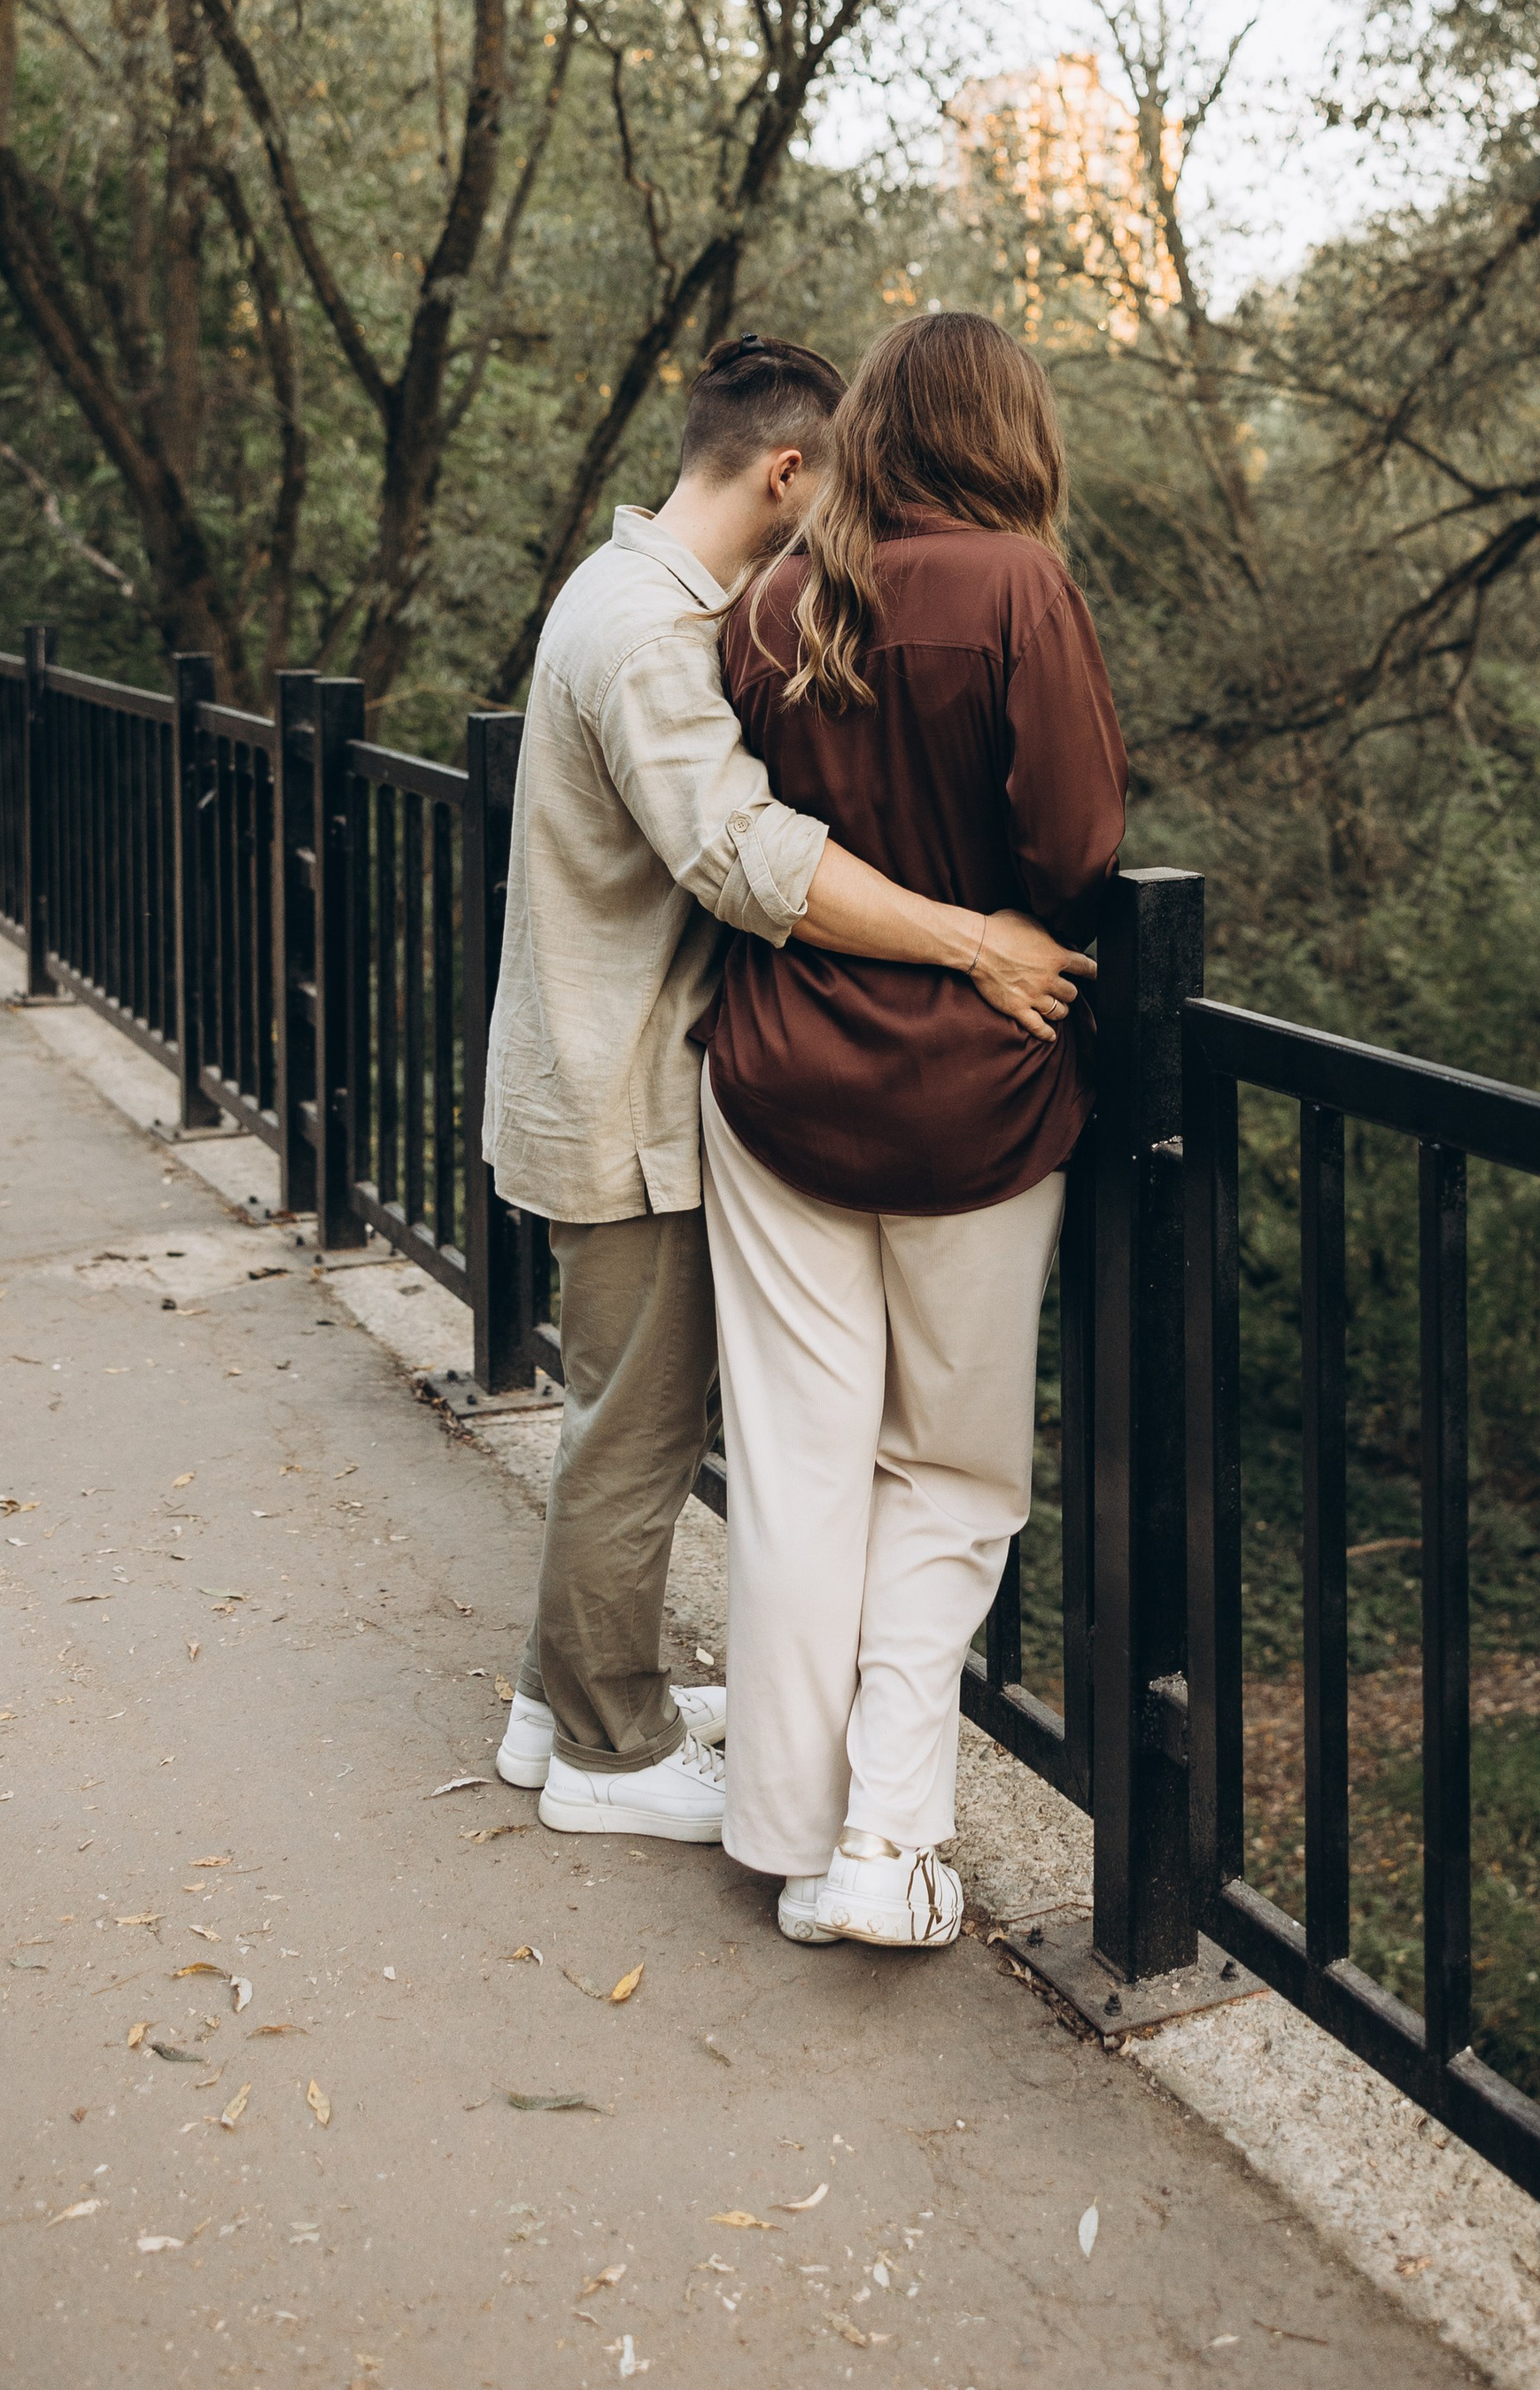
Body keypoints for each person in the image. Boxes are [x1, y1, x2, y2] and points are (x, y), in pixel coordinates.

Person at [480, 332, 1093, 1844]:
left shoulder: (656, 600)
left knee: (636, 1414)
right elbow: (745, 854)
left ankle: (556, 1703)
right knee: (635, 1430)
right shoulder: (649, 636)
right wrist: (973, 941)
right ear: (789, 470)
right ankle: (608, 1750)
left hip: (638, 1069)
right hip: (628, 1086)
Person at [701, 310, 1127, 1949]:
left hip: (779, 1083)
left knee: (799, 1468)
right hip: (978, 1098)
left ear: (872, 426)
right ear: (1008, 432)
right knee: (947, 1471)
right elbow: (1077, 853)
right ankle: (883, 1849)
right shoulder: (1018, 588)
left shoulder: (776, 601)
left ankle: (784, 1832)